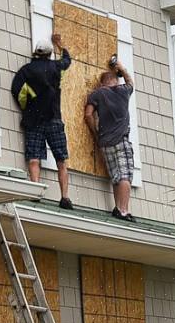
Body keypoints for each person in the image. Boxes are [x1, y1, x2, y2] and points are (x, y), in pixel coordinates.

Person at [11, 33, 74, 209]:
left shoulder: (25, 71)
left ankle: (35, 193)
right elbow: (67, 61)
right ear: (49, 54)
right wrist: (60, 45)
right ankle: (65, 198)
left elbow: (17, 91)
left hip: (34, 120)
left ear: (35, 53)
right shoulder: (56, 67)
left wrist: (27, 106)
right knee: (61, 159)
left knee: (34, 158)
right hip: (53, 118)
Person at [84, 60, 135, 222]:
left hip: (105, 142)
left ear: (102, 82)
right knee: (125, 176)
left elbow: (88, 115)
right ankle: (123, 210)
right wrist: (122, 68)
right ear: (115, 81)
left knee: (115, 176)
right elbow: (130, 81)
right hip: (121, 140)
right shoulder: (123, 91)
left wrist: (96, 133)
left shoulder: (97, 93)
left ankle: (117, 208)